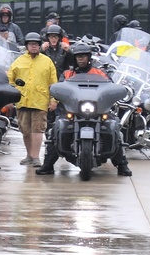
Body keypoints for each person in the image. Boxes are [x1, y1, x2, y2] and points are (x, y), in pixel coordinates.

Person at [37, 44, 132, 176]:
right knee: (56, 129)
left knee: (114, 128)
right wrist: (56, 93)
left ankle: (122, 165)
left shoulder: (100, 73)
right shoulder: (68, 74)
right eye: (78, 57)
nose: (81, 59)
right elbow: (60, 88)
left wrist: (116, 91)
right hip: (73, 111)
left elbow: (111, 87)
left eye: (83, 56)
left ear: (89, 57)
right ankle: (47, 165)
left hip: (98, 111)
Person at [7, 32, 57, 167]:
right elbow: (10, 80)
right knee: (25, 130)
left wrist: (53, 100)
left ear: (40, 46)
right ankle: (29, 155)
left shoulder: (47, 62)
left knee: (38, 129)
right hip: (22, 100)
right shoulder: (18, 61)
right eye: (31, 44)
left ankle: (36, 157)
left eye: (36, 44)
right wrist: (9, 97)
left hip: (40, 101)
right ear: (27, 46)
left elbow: (53, 82)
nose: (33, 47)